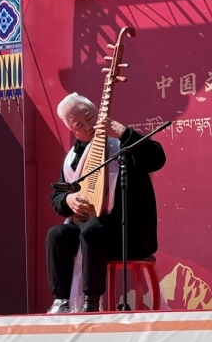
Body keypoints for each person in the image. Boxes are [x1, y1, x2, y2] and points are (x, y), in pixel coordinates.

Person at [46, 93, 166, 313]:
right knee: (58, 234)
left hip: (128, 233)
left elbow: (157, 158)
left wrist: (124, 132)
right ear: (72, 130)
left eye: (90, 118)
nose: (88, 127)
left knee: (93, 230)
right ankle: (61, 301)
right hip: (92, 231)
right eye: (79, 125)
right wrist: (69, 200)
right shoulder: (72, 159)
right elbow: (57, 196)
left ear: (99, 113)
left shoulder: (121, 143)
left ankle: (91, 302)